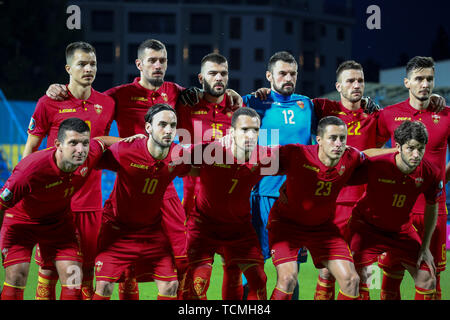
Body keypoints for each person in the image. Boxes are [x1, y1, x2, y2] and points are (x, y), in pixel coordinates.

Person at [45, 39, 242, 299]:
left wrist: (231, 94)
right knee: (121, 268)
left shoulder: (176, 93)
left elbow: (210, 93)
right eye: (152, 60)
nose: (158, 65)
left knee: (183, 259)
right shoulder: (118, 95)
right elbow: (89, 104)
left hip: (165, 185)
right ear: (139, 64)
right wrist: (60, 89)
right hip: (129, 183)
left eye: (162, 61)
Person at [23, 41, 115, 300]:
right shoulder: (48, 102)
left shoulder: (106, 104)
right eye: (82, 64)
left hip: (90, 203)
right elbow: (30, 150)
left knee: (86, 274)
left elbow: (102, 146)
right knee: (48, 271)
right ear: (68, 68)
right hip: (54, 204)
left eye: (93, 64)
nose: (89, 69)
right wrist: (29, 192)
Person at [0, 118, 122, 300]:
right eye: (73, 143)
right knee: (18, 275)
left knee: (73, 277)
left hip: (58, 224)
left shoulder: (88, 156)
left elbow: (102, 141)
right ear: (58, 144)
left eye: (84, 143)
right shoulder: (29, 171)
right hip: (21, 224)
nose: (80, 150)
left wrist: (140, 142)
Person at [92, 104, 194, 300]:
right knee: (104, 286)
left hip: (151, 232)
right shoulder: (125, 150)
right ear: (148, 128)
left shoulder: (178, 155)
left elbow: (202, 164)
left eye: (173, 125)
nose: (168, 130)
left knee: (170, 285)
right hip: (117, 230)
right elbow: (94, 146)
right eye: (162, 124)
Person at [240, 51, 316, 299]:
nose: (288, 78)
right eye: (282, 73)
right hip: (261, 194)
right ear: (269, 75)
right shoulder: (253, 103)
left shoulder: (308, 105)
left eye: (293, 73)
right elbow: (225, 107)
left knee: (290, 272)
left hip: (296, 200)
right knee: (253, 268)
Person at [376, 56, 449, 300]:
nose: (425, 84)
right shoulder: (388, 115)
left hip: (433, 209)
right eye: (419, 78)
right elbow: (372, 154)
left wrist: (440, 181)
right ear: (407, 82)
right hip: (397, 211)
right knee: (390, 278)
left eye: (429, 79)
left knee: (432, 279)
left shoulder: (446, 115)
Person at [268, 116, 365, 300]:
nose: (338, 144)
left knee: (351, 280)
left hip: (322, 228)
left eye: (342, 138)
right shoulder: (296, 153)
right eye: (333, 138)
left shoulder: (351, 157)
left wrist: (398, 152)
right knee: (288, 279)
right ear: (318, 139)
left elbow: (372, 157)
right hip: (286, 225)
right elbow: (258, 158)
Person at [185, 107, 273, 300]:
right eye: (244, 129)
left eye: (255, 130)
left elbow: (298, 162)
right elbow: (171, 155)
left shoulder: (266, 156)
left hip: (239, 229)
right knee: (197, 283)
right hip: (204, 227)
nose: (251, 135)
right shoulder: (209, 151)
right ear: (231, 132)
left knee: (258, 279)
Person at [349, 120, 442, 300]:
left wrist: (425, 247)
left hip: (401, 231)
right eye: (410, 148)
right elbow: (358, 158)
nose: (416, 155)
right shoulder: (377, 163)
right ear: (398, 147)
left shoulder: (430, 172)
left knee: (427, 278)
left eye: (421, 149)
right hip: (366, 228)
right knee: (357, 281)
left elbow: (432, 206)